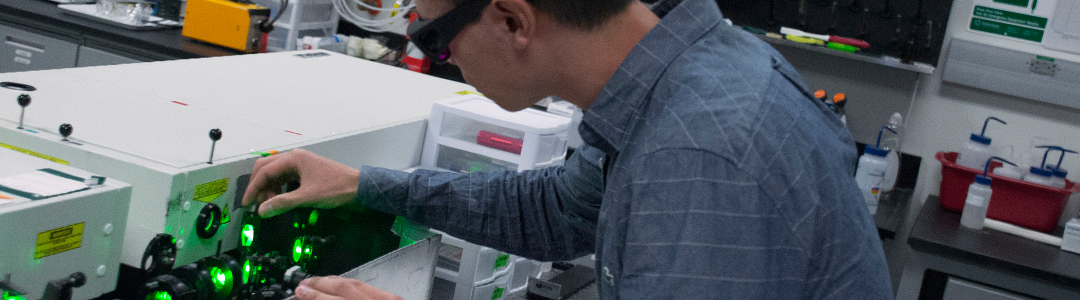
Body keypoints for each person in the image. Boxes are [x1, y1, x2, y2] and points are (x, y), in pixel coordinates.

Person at [242, 0, 895, 298]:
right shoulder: (676, 76)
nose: (436, 56)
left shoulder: (698, 156)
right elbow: (556, 211)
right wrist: (365, 184)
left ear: (513, 20)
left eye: (436, 36)